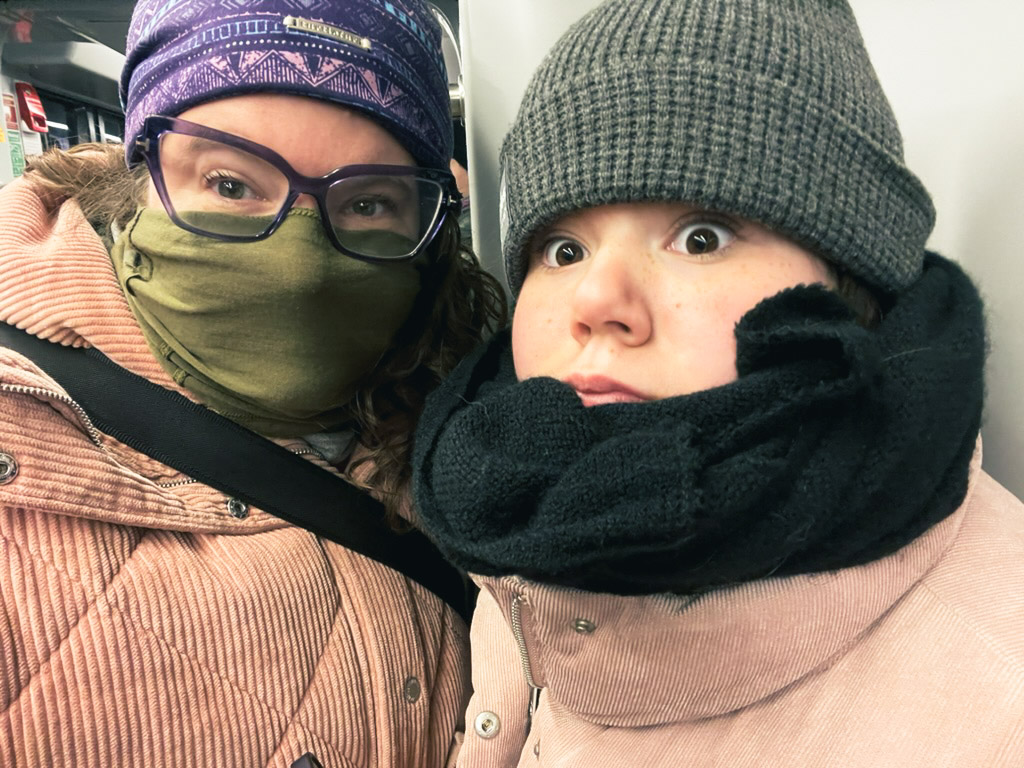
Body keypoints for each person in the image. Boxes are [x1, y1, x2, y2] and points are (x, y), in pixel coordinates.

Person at [411, 0, 1024, 765]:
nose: (597, 301)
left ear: (852, 283)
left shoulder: (1002, 697)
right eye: (562, 251)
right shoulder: (526, 511)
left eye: (701, 237)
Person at [0, 1, 504, 766]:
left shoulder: (475, 414)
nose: (299, 267)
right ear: (140, 174)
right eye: (232, 185)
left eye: (367, 202)